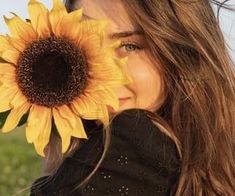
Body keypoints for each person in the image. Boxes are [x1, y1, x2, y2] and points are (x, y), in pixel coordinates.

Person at [30, 0, 235, 195]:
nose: (97, 71)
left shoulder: (130, 142)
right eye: (84, 45)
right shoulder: (218, 156)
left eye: (130, 46)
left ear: (183, 52)